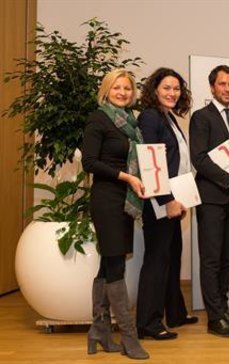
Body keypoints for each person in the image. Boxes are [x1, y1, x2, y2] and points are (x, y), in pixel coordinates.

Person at [81, 69, 149, 360]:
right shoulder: (99, 119)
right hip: (107, 198)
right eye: (117, 87)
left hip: (126, 198)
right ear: (106, 90)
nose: (123, 92)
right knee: (116, 265)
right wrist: (127, 177)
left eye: (127, 88)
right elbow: (89, 162)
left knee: (109, 264)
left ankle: (99, 330)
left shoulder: (132, 122)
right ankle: (129, 338)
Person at [136, 68, 198, 341]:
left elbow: (178, 163)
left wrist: (180, 198)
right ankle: (148, 324)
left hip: (173, 199)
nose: (173, 93)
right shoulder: (150, 117)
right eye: (167, 88)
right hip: (160, 202)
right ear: (155, 90)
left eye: (176, 89)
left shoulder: (169, 117)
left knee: (172, 256)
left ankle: (175, 313)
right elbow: (152, 164)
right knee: (157, 260)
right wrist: (167, 200)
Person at [190, 65, 229, 338]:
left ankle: (223, 310)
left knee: (227, 258)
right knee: (211, 259)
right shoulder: (201, 117)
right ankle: (214, 318)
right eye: (222, 84)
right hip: (212, 199)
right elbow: (199, 159)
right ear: (212, 87)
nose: (227, 89)